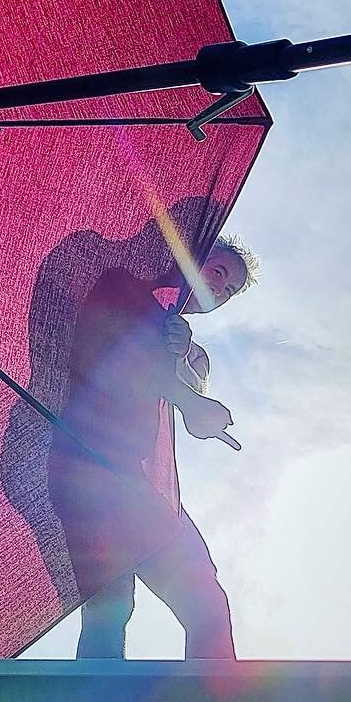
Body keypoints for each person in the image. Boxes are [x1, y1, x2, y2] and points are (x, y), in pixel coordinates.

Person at [69, 234, 257, 661]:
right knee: (112, 601)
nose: (220, 289)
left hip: (130, 475)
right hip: (86, 465)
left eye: (228, 290)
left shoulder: (189, 347)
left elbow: (190, 414)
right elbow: (120, 366)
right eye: (218, 271)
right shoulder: (122, 288)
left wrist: (180, 359)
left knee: (202, 600)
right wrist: (189, 397)